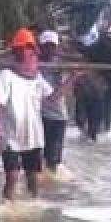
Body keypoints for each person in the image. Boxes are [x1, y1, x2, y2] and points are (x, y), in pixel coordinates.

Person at [0, 28, 77, 200]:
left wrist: (73, 77)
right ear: (16, 51)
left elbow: (52, 98)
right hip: (10, 136)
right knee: (12, 177)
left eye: (30, 50)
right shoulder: (6, 75)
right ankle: (6, 209)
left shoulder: (37, 77)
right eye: (24, 49)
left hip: (33, 136)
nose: (28, 53)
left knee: (33, 178)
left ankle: (33, 208)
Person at [37, 30, 70, 172]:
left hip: (58, 116)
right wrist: (74, 77)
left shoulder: (61, 64)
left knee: (53, 160)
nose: (50, 49)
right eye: (46, 46)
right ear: (41, 46)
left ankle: (49, 189)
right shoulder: (34, 65)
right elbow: (53, 96)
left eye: (52, 46)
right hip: (39, 115)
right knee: (37, 156)